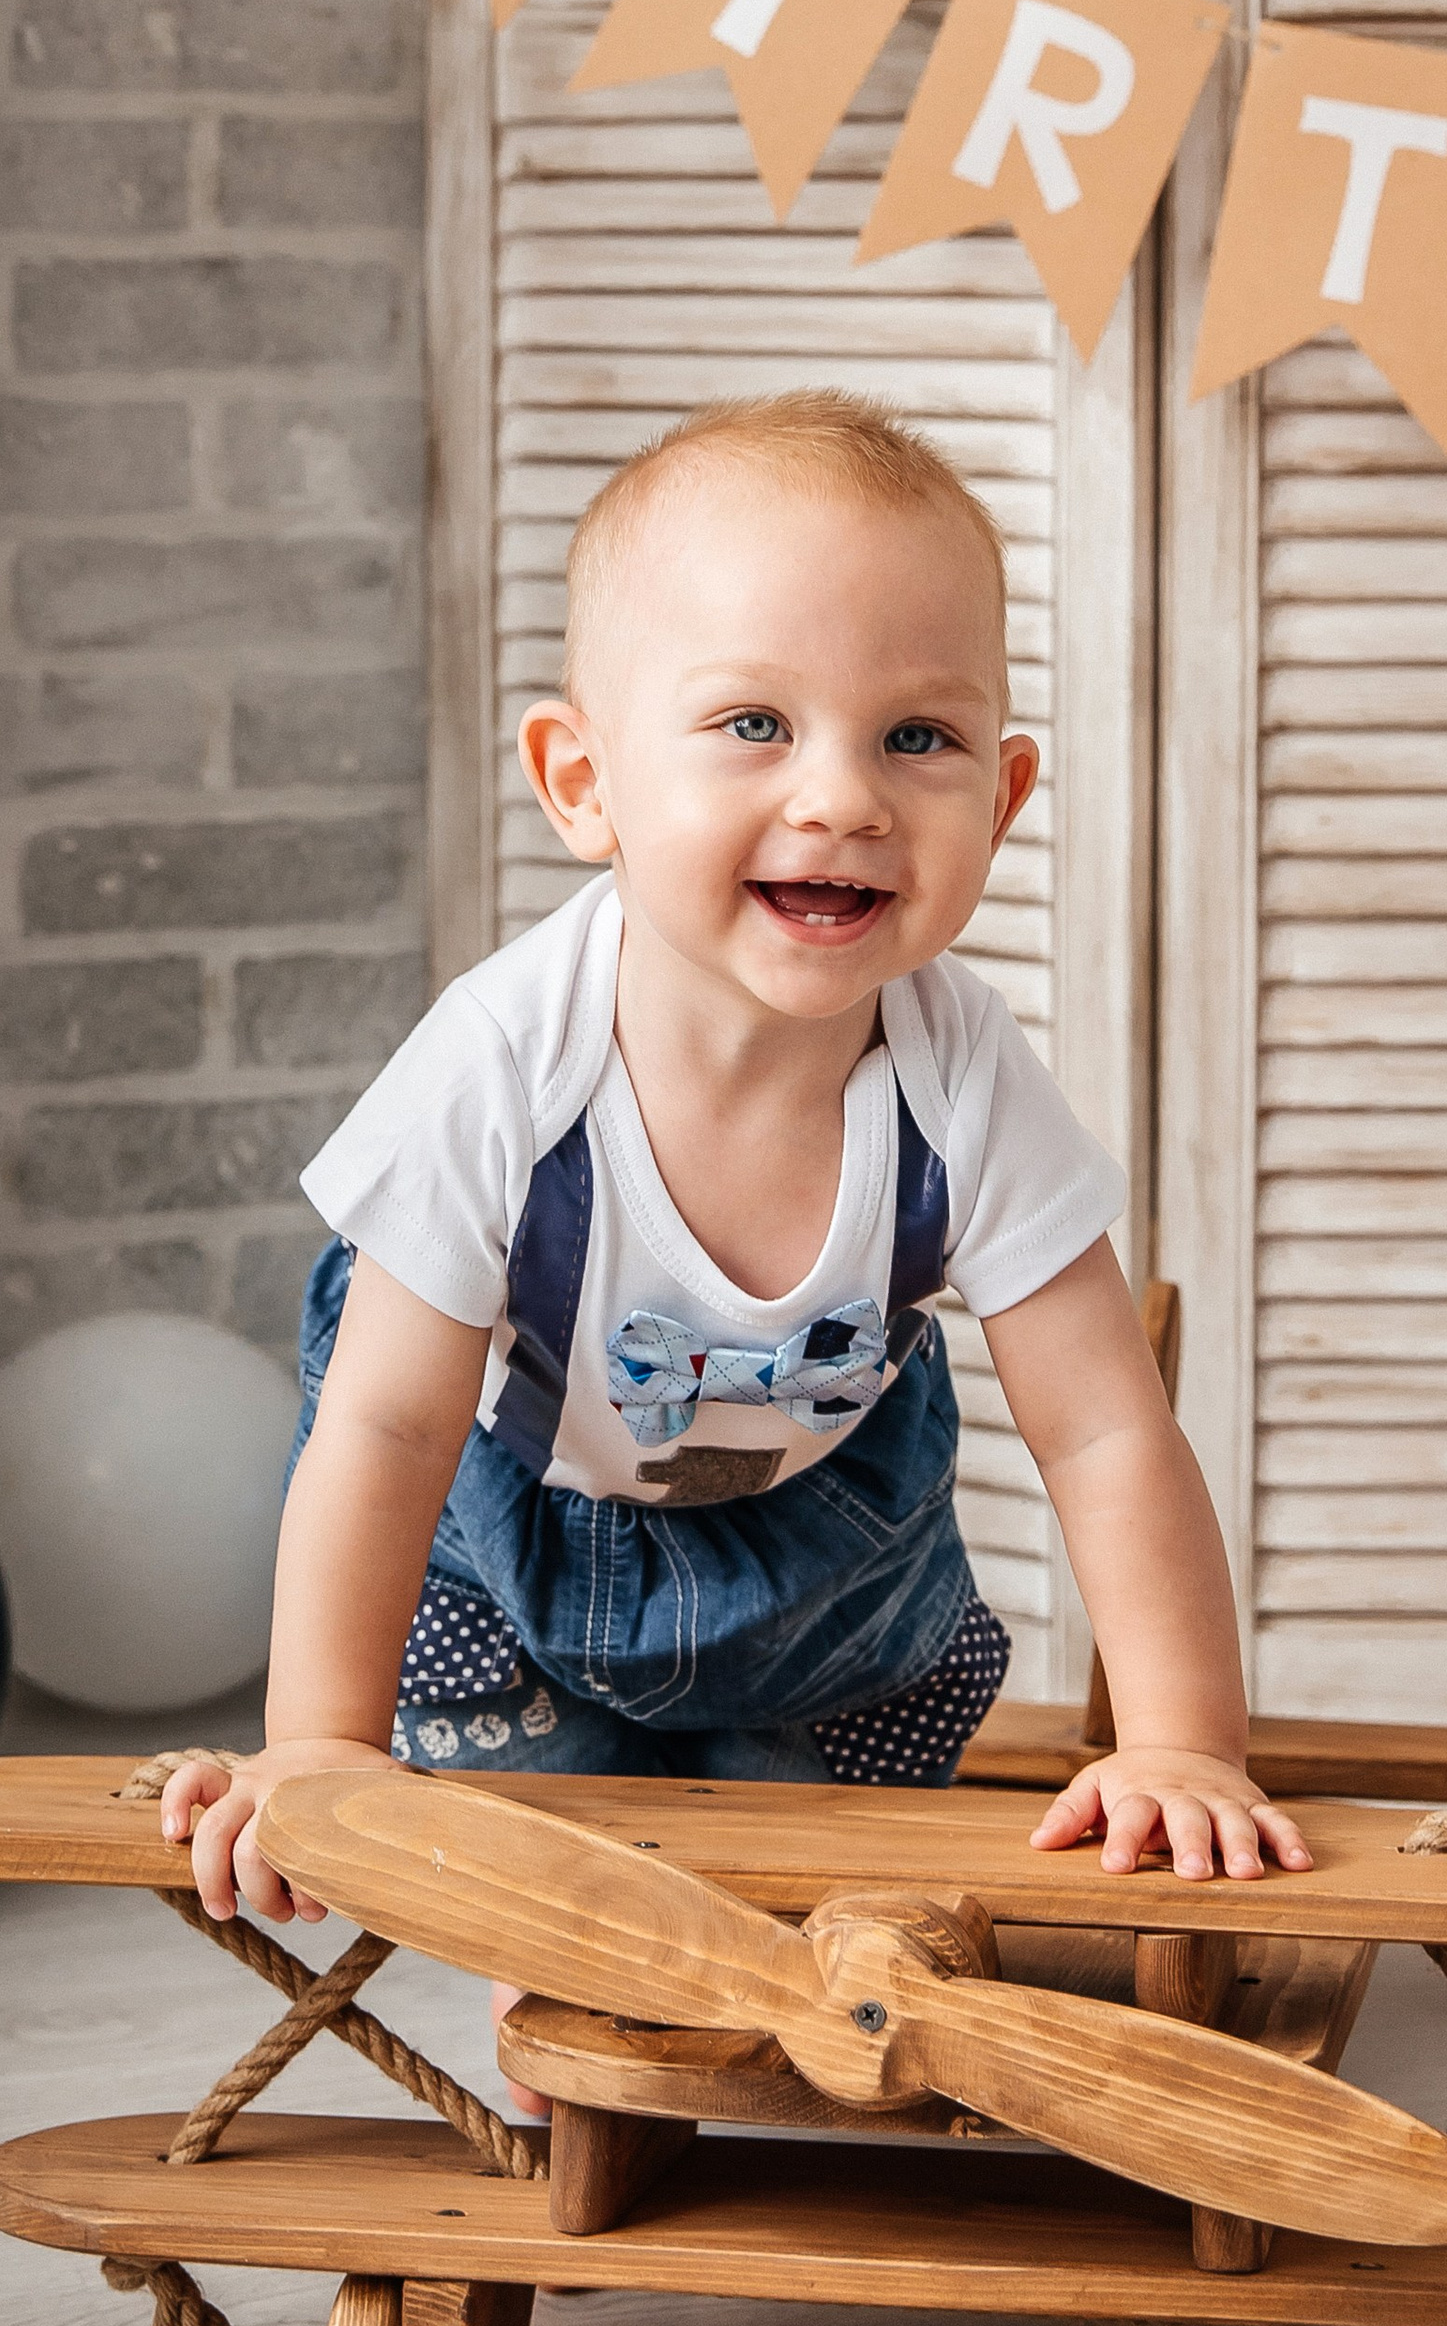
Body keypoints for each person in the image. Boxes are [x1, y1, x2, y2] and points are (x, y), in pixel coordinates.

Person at [165, 392, 1309, 1986]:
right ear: (585, 782)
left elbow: (1105, 1425)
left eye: (919, 736)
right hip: (519, 1501)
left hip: (815, 1527)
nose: (842, 796)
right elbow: (384, 1432)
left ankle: (750, 1947)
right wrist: (319, 1744)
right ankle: (574, 1977)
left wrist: (1187, 1745)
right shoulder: (506, 1060)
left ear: (1005, 794)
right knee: (537, 1843)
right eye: (755, 724)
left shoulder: (961, 1066)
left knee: (803, 1856)